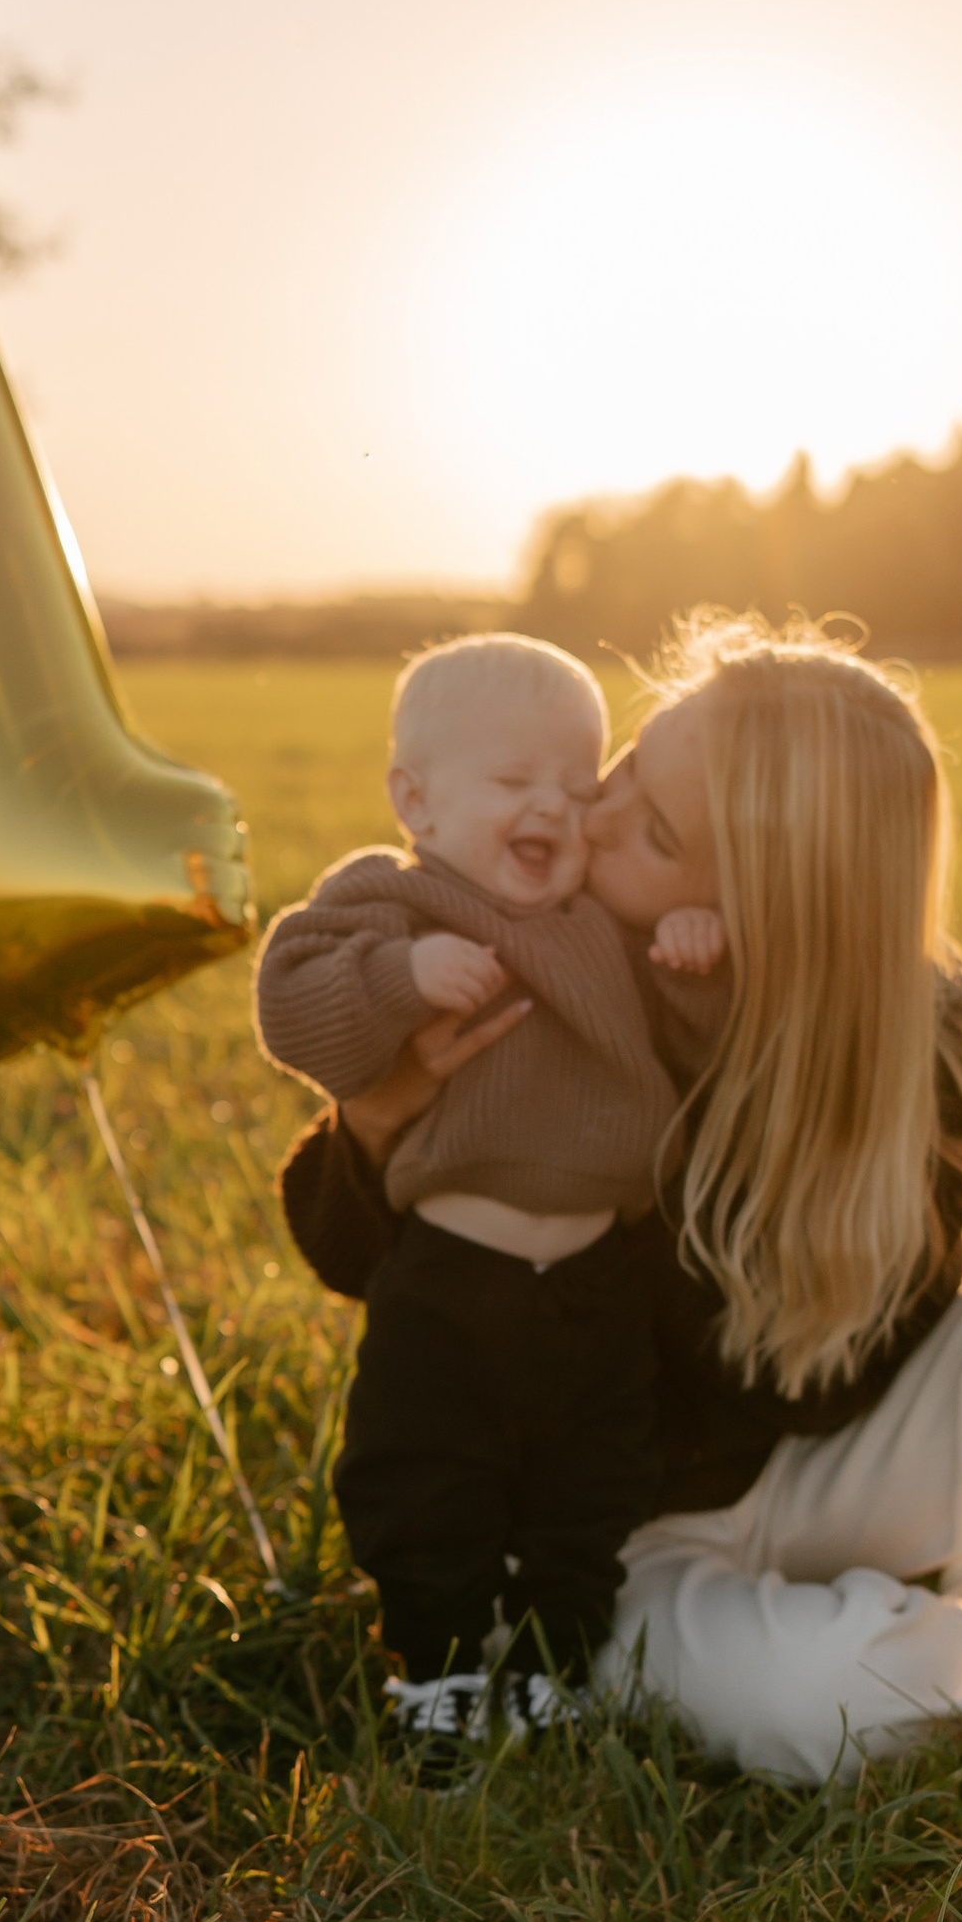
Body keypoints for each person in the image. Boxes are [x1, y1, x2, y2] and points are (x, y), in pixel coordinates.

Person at [279, 614, 962, 1922]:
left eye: (650, 827)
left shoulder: (909, 1016)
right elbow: (355, 1260)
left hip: (833, 1454)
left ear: (760, 900)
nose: (589, 815)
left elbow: (839, 1381)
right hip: (627, 1523)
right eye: (622, 772)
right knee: (823, 1713)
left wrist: (740, 1082)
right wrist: (387, 1118)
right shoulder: (536, 961)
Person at [254, 633, 726, 1755]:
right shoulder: (394, 902)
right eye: (515, 784)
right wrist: (397, 980)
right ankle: (438, 1669)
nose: (553, 812)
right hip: (448, 1272)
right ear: (413, 800)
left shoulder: (604, 926)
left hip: (597, 1278)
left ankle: (555, 1668)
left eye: (576, 786)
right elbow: (293, 1004)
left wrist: (699, 957)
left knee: (592, 1478)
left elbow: (697, 1056)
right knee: (422, 1468)